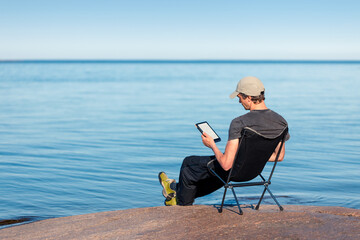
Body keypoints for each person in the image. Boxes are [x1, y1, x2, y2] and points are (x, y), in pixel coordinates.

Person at [158, 76, 289, 206]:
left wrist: (212, 145)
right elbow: (280, 156)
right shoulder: (281, 122)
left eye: (240, 98)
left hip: (234, 171)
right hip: (252, 173)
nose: (239, 102)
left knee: (189, 164)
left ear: (249, 97)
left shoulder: (239, 122)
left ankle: (179, 200)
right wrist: (249, 159)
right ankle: (174, 189)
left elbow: (226, 164)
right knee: (214, 174)